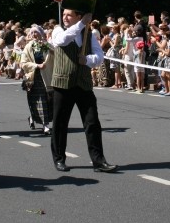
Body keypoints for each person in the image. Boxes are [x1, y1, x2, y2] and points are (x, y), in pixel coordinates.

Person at [49, 9, 117, 173]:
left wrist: (86, 59)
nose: (65, 18)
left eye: (69, 15)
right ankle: (59, 159)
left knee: (92, 122)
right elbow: (63, 41)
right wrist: (81, 23)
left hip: (83, 84)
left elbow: (99, 56)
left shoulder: (88, 33)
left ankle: (98, 161)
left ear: (78, 16)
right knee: (60, 123)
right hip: (63, 83)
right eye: (64, 14)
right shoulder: (58, 30)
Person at [20, 24, 54, 134]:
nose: (34, 35)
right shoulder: (28, 46)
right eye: (33, 32)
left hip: (47, 76)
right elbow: (23, 63)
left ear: (41, 34)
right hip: (34, 77)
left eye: (36, 32)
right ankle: (45, 125)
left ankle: (33, 118)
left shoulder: (47, 45)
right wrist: (36, 66)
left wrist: (47, 46)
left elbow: (56, 55)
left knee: (48, 100)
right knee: (39, 101)